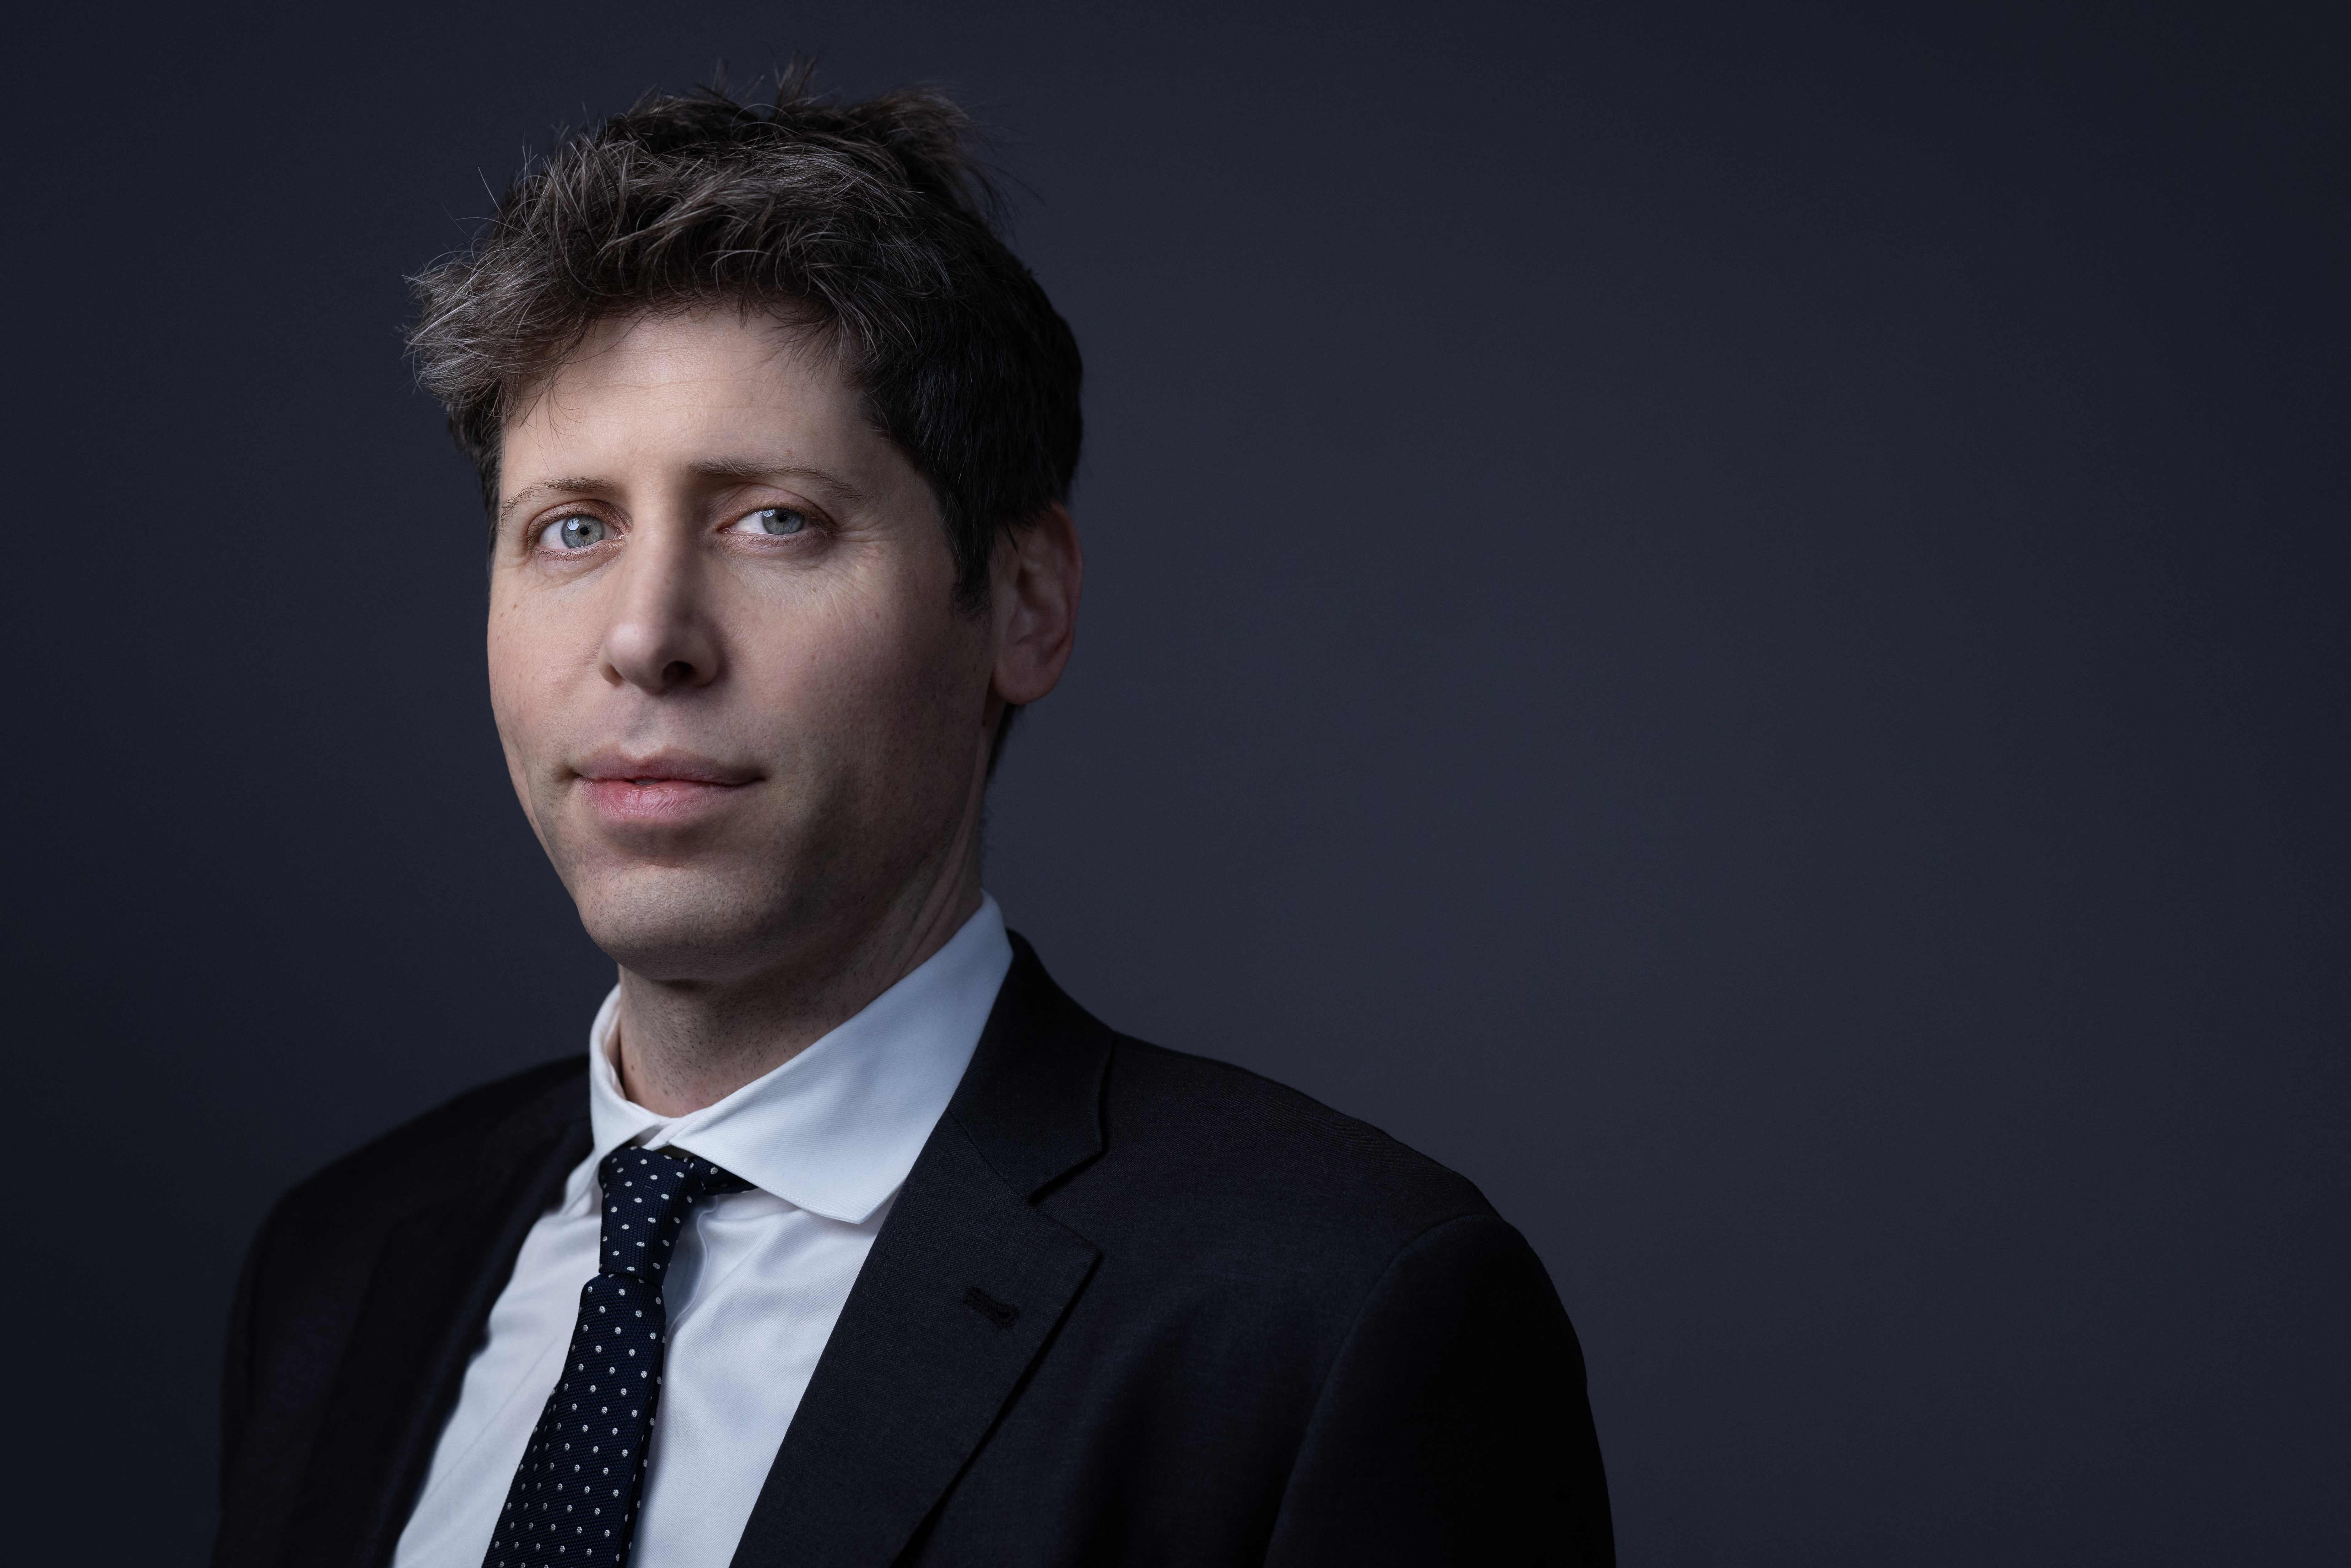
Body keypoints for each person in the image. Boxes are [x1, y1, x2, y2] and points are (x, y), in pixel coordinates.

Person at [210, 80, 1613, 1568]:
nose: (647, 637)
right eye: (573, 527)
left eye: (776, 521)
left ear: (1025, 603)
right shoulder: (344, 1266)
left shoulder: (1333, 1314)